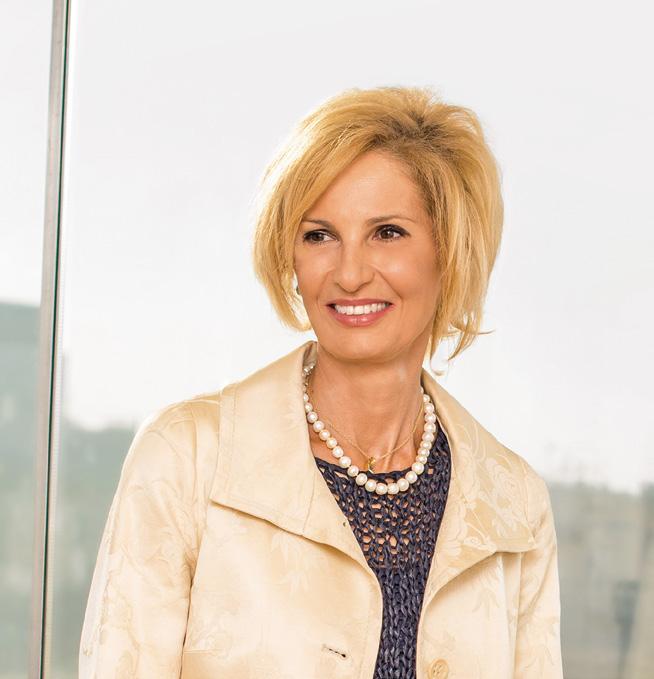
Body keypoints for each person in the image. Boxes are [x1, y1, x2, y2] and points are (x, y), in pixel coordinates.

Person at [79, 86, 563, 679]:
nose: (350, 273)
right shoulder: (188, 456)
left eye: (387, 232)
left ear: (450, 251)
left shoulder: (515, 502)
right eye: (319, 235)